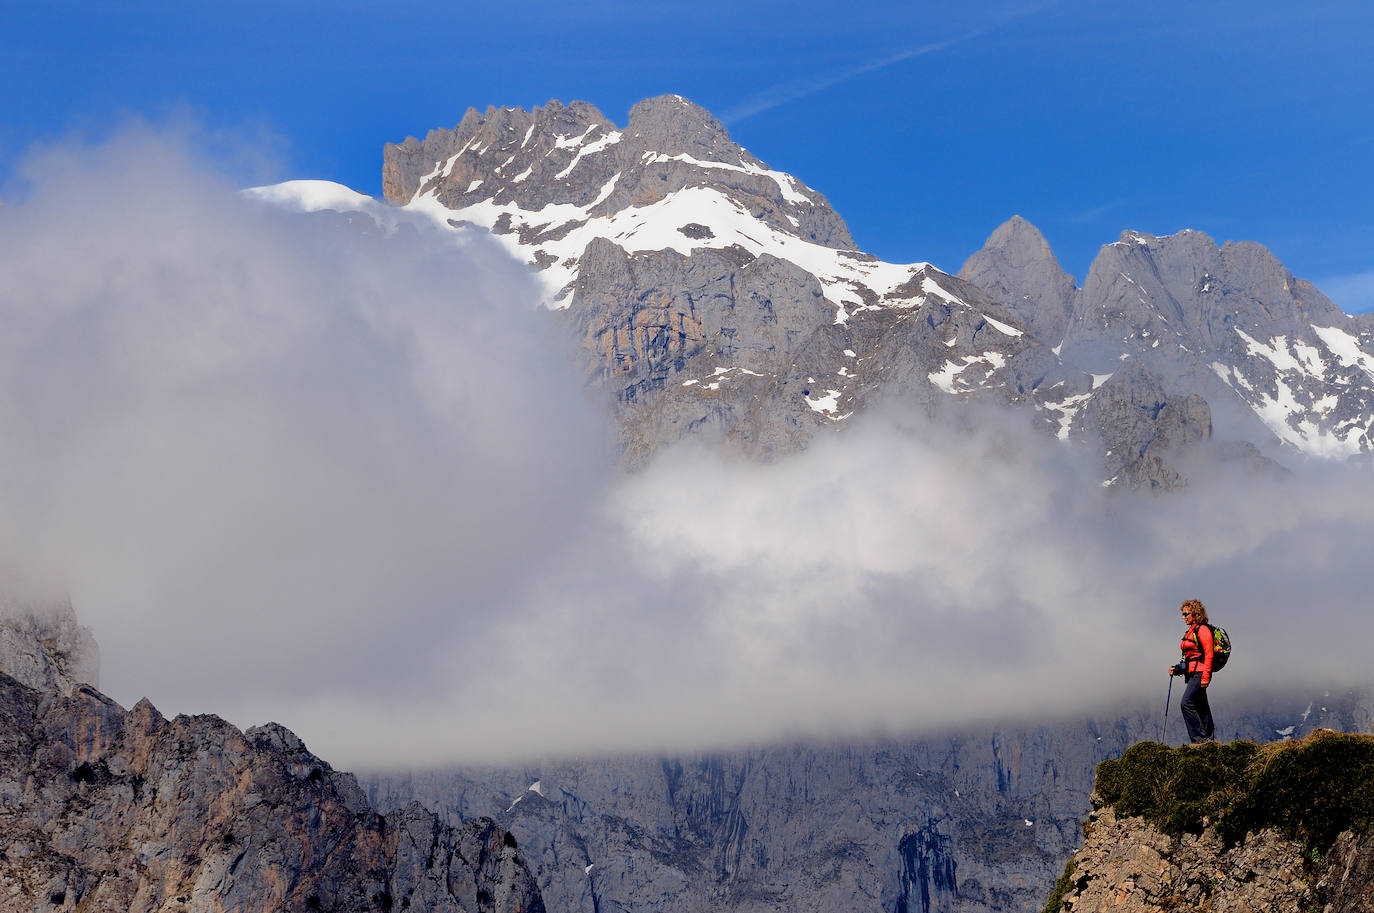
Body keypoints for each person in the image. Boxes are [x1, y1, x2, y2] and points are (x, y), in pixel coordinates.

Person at [1169, 599, 1215, 743]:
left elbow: (1209, 653)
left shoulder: (1203, 630)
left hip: (1201, 673)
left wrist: (1206, 676)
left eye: (1186, 614)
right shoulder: (1191, 631)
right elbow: (1190, 658)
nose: (1183, 617)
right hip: (1193, 673)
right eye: (1182, 614)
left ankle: (1200, 740)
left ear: (1195, 613)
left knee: (1186, 703)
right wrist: (1177, 669)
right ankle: (1209, 739)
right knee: (1201, 706)